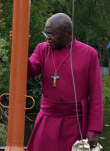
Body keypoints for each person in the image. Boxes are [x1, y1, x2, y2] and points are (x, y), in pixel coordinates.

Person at [11, 13, 103, 151]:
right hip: (47, 119)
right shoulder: (42, 49)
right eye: (46, 33)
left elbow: (96, 96)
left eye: (51, 34)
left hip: (75, 122)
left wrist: (93, 131)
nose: (47, 37)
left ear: (66, 32)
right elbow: (29, 72)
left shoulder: (89, 54)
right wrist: (20, 48)